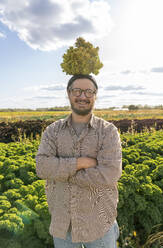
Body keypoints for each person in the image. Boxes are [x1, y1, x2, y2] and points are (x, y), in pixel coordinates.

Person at [35, 74, 122, 248]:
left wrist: (62, 173)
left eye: (89, 92)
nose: (82, 96)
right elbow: (42, 167)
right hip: (62, 223)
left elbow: (110, 173)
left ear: (95, 95)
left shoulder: (108, 132)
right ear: (68, 93)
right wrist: (81, 162)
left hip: (99, 221)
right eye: (77, 90)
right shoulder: (53, 131)